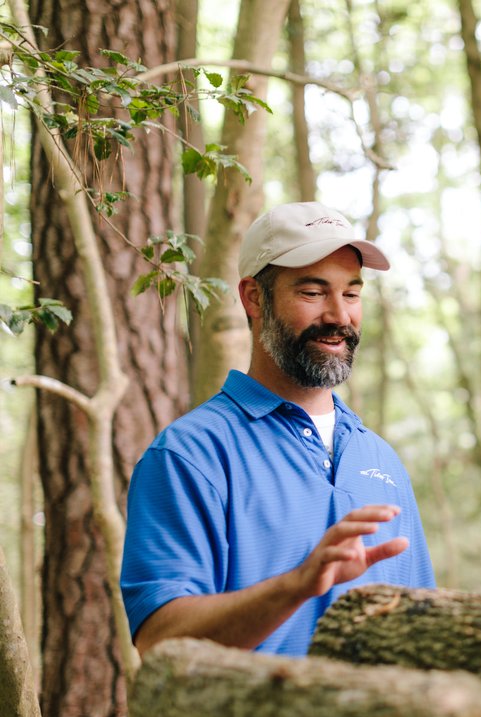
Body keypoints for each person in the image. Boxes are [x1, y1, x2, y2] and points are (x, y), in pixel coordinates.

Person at [121, 201, 435, 657]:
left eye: (351, 293)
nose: (339, 316)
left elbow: (424, 629)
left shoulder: (380, 459)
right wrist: (297, 585)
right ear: (253, 297)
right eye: (312, 292)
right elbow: (159, 640)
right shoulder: (190, 454)